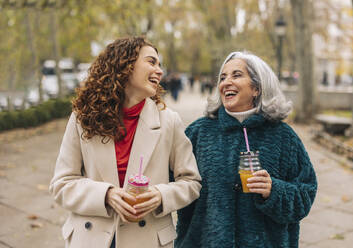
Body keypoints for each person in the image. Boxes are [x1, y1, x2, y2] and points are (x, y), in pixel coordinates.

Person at [49, 37, 201, 248]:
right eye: (151, 62)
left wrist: (160, 195)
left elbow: (191, 182)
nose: (159, 71)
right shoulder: (82, 118)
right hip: (91, 237)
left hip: (147, 239)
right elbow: (61, 185)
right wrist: (106, 195)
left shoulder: (169, 121)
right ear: (125, 65)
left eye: (160, 65)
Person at [175, 51, 317, 248]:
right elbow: (173, 181)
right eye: (223, 77)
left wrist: (273, 190)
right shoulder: (198, 132)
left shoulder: (283, 136)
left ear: (257, 88)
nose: (226, 82)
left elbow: (305, 194)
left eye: (236, 75)